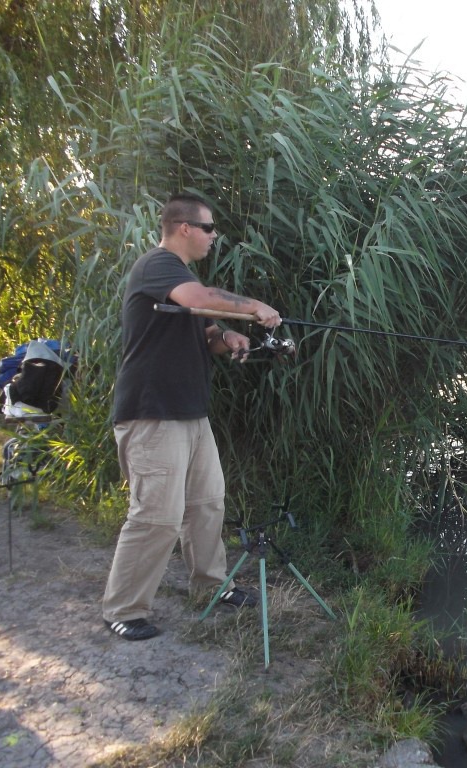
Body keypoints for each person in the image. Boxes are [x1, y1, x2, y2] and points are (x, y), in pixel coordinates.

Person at [102, 193, 281, 641]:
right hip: (152, 413)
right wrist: (254, 306)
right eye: (209, 228)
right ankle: (124, 608)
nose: (214, 236)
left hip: (190, 413)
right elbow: (199, 298)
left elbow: (200, 328)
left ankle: (211, 585)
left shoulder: (179, 278)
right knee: (156, 516)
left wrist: (227, 335)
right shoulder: (158, 265)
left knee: (207, 504)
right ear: (184, 228)